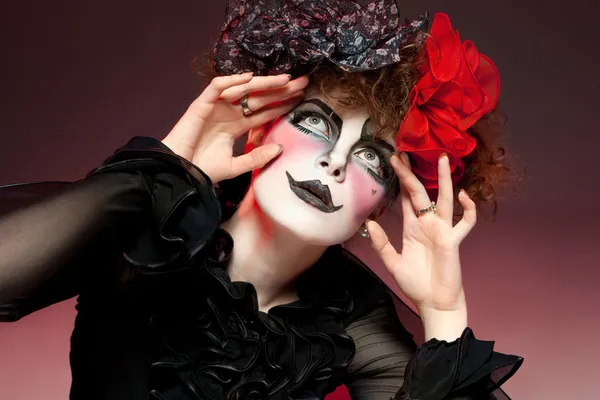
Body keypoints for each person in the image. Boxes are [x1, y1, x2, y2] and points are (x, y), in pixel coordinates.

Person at [0, 1, 523, 399]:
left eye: (372, 159)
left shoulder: (349, 321)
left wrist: (443, 313)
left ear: (381, 206)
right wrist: (165, 173)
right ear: (256, 128)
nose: (336, 162)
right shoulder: (153, 234)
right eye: (317, 123)